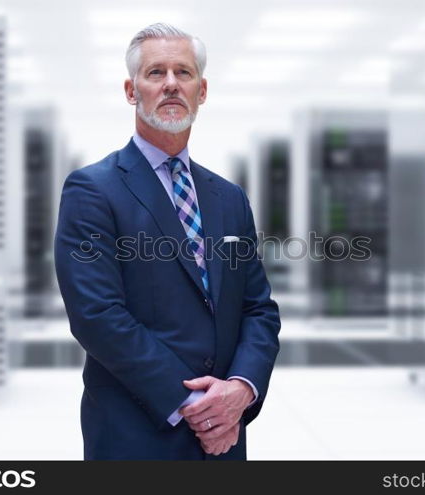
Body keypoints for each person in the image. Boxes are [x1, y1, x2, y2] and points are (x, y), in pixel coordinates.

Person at [54, 23, 281, 460]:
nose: (172, 84)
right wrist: (197, 407)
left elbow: (258, 308)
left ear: (202, 90)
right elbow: (97, 316)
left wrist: (240, 390)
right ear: (131, 90)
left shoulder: (229, 198)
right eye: (156, 73)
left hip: (226, 437)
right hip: (138, 433)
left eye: (184, 72)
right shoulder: (93, 191)